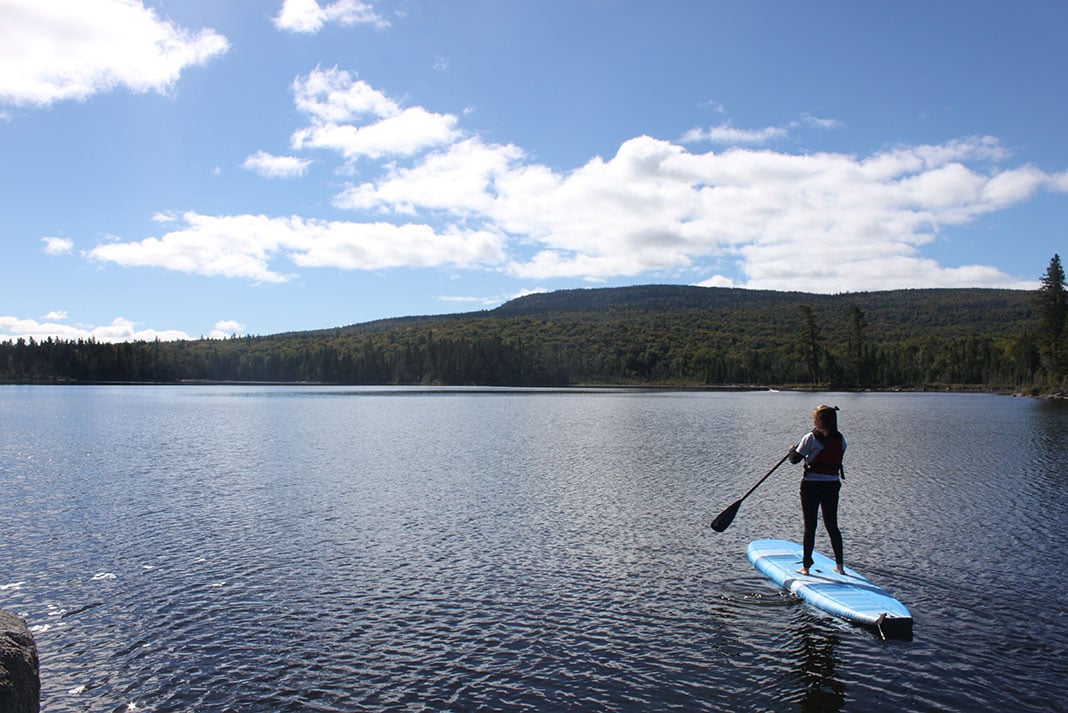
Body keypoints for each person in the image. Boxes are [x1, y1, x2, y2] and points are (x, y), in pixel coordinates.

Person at [787, 404, 846, 575]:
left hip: (811, 485)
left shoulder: (810, 438)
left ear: (818, 420)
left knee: (810, 526)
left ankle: (806, 567)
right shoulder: (840, 439)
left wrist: (792, 449)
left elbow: (794, 460)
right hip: (832, 485)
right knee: (832, 525)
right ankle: (840, 566)